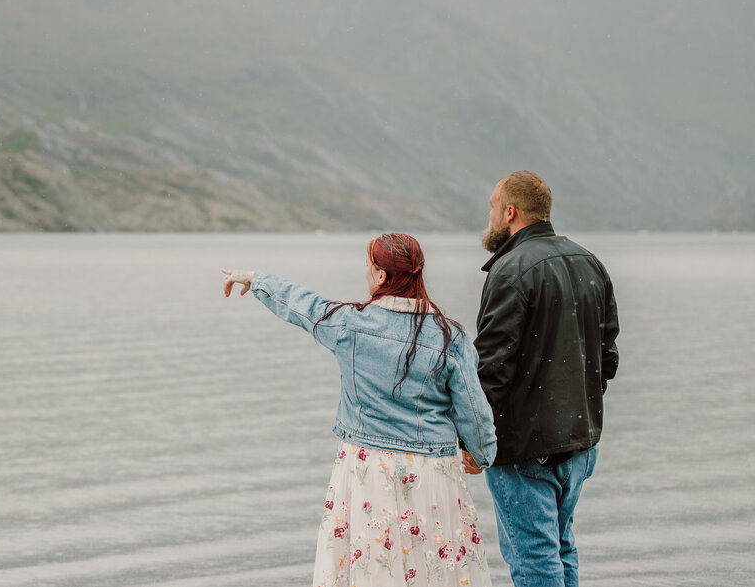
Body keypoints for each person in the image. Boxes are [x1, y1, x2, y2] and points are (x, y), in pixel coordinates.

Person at [223, 233, 497, 587]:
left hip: (369, 473)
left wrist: (258, 280)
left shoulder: (349, 324)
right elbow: (475, 412)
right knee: (433, 570)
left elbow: (305, 305)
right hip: (432, 475)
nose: (366, 273)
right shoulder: (451, 337)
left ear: (381, 277)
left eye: (369, 266)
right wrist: (482, 454)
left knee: (372, 570)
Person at [470, 171, 620, 587]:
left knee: (535, 562)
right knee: (561, 548)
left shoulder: (509, 270)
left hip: (525, 449)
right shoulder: (590, 263)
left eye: (493, 206)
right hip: (580, 441)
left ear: (510, 213)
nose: (490, 213)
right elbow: (607, 358)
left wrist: (472, 438)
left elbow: (492, 368)